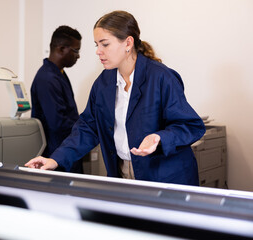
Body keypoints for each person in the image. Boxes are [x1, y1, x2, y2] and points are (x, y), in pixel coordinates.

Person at [25, 10, 206, 185]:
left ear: (128, 43)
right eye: (97, 45)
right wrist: (55, 160)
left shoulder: (161, 77)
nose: (98, 51)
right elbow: (87, 128)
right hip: (122, 172)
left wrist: (160, 138)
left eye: (105, 44)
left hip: (165, 176)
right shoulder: (103, 83)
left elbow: (191, 126)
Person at [30, 25, 84, 173]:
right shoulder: (47, 78)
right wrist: (85, 131)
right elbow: (58, 123)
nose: (78, 56)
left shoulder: (58, 74)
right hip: (56, 153)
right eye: (76, 50)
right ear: (61, 49)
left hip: (67, 148)